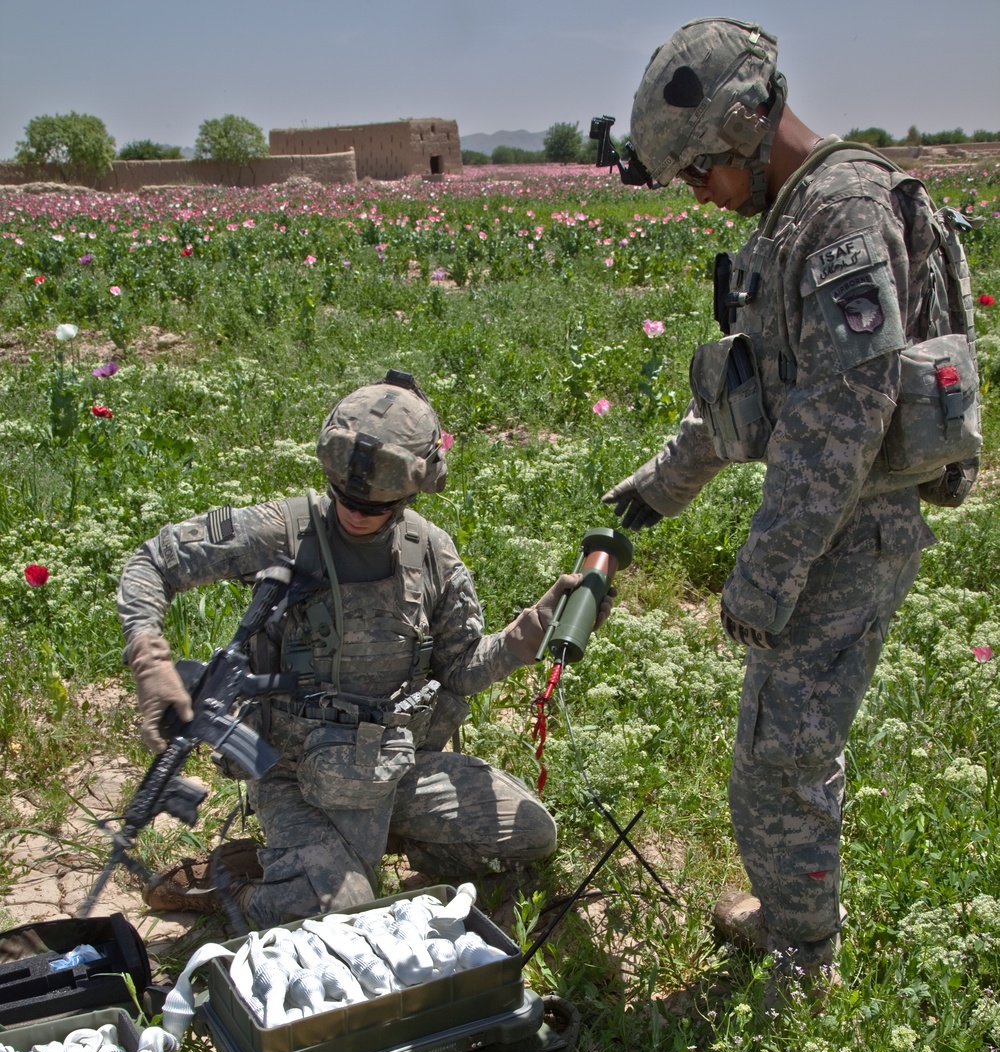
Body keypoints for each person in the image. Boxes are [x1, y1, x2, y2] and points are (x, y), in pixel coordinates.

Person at [601, 19, 980, 993]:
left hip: (859, 527)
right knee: (773, 746)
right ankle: (790, 910)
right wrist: (656, 489)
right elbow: (750, 393)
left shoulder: (843, 216)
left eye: (700, 175)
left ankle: (804, 965)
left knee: (784, 758)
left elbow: (838, 428)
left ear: (747, 128)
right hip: (827, 521)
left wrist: (763, 577)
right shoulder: (794, 218)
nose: (701, 196)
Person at [119, 371, 607, 926]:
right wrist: (151, 661)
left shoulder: (432, 554)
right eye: (343, 497)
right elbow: (153, 562)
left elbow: (461, 670)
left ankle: (359, 848)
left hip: (394, 766)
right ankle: (243, 882)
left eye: (376, 506)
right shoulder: (282, 530)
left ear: (414, 490)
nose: (355, 513)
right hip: (295, 774)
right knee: (343, 913)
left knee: (532, 836)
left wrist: (529, 631)